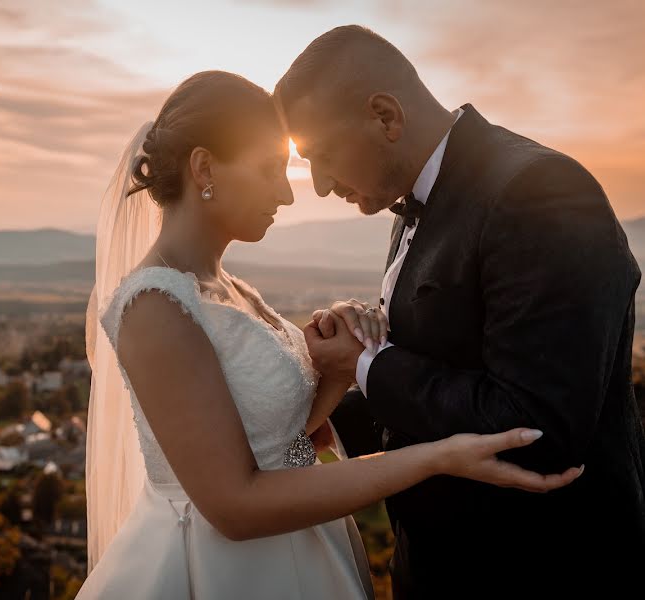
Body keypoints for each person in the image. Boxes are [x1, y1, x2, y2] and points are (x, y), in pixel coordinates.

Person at [77, 70, 581, 599]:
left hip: (302, 549)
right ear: (205, 167)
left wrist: (337, 364)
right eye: (272, 170)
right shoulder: (153, 307)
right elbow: (234, 507)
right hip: (219, 570)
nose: (287, 195)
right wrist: (436, 456)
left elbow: (278, 441)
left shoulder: (230, 288)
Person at [276, 25, 645, 599]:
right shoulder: (419, 196)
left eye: (320, 156)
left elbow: (535, 427)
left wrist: (365, 365)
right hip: (435, 567)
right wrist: (296, 422)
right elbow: (442, 372)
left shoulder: (537, 192)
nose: (320, 186)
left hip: (541, 570)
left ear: (384, 116)